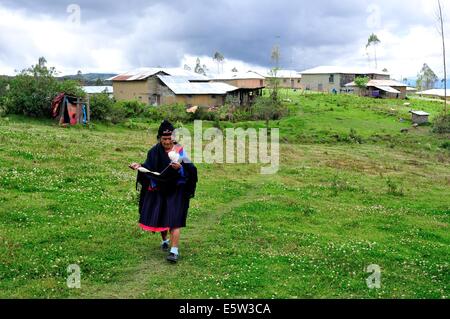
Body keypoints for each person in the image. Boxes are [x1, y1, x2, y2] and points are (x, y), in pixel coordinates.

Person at [129, 120, 198, 263]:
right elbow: (148, 168)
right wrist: (138, 166)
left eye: (170, 138)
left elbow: (191, 170)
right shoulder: (154, 152)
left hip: (177, 188)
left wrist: (180, 168)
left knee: (175, 219)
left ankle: (174, 251)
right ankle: (165, 240)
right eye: (164, 138)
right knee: (162, 217)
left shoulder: (180, 151)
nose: (167, 141)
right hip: (160, 189)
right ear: (160, 138)